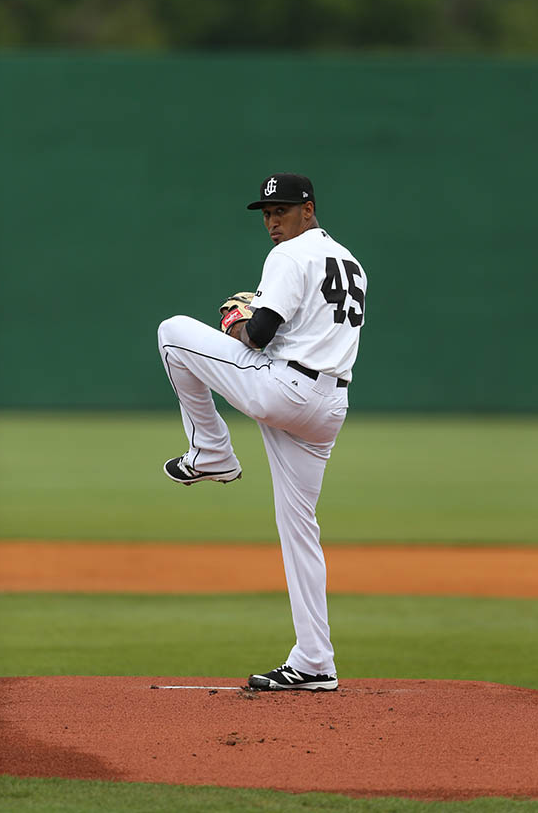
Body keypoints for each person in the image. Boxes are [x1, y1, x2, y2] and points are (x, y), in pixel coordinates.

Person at [157, 172, 367, 691]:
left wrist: (234, 321)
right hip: (329, 404)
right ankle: (315, 661)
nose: (273, 221)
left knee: (173, 334)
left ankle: (211, 452)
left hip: (286, 391)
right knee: (300, 529)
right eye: (268, 213)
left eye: (284, 211)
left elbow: (258, 337)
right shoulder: (351, 262)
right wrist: (253, 327)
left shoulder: (289, 256)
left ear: (309, 210)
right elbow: (301, 334)